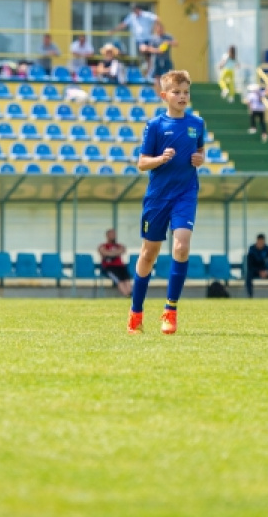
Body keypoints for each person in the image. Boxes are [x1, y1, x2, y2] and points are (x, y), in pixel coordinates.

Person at [128, 70, 206, 335]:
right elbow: (141, 163)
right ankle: (136, 312)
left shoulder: (197, 123)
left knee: (181, 246)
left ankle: (170, 310)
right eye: (176, 92)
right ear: (165, 95)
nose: (182, 96)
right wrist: (160, 159)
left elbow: (200, 150)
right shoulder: (155, 126)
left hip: (185, 194)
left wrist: (200, 159)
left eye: (185, 92)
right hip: (158, 197)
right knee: (148, 254)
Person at [141, 21, 177, 94]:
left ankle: (168, 94)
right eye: (158, 28)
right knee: (157, 79)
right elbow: (149, 49)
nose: (160, 30)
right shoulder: (153, 38)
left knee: (169, 78)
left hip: (166, 60)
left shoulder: (168, 37)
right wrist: (158, 50)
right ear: (155, 29)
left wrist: (168, 42)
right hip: (156, 61)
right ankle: (158, 95)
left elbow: (176, 43)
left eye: (161, 28)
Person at [245, 234, 268, 298]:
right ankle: (250, 295)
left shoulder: (267, 248)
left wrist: (267, 271)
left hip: (264, 269)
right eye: (259, 242)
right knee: (249, 274)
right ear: (256, 241)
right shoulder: (252, 249)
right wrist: (259, 271)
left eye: (262, 242)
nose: (260, 244)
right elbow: (250, 264)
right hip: (254, 269)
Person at [97, 229, 132, 297]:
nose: (113, 236)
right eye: (111, 234)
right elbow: (103, 252)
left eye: (114, 234)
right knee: (119, 280)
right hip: (109, 268)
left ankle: (131, 295)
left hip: (120, 267)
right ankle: (126, 295)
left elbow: (122, 250)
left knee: (127, 279)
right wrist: (115, 253)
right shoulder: (103, 246)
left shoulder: (119, 245)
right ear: (107, 236)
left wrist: (110, 254)